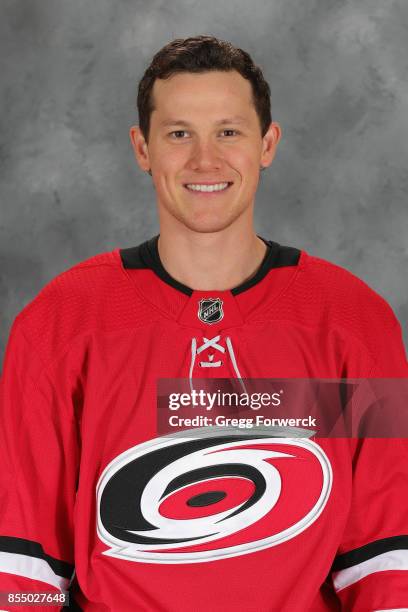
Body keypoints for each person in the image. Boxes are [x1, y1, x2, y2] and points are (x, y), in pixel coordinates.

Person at [1, 34, 407, 612]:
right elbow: (23, 568)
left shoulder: (353, 322)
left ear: (267, 144)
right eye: (178, 134)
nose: (205, 161)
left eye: (229, 131)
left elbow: (386, 560)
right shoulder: (60, 323)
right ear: (142, 148)